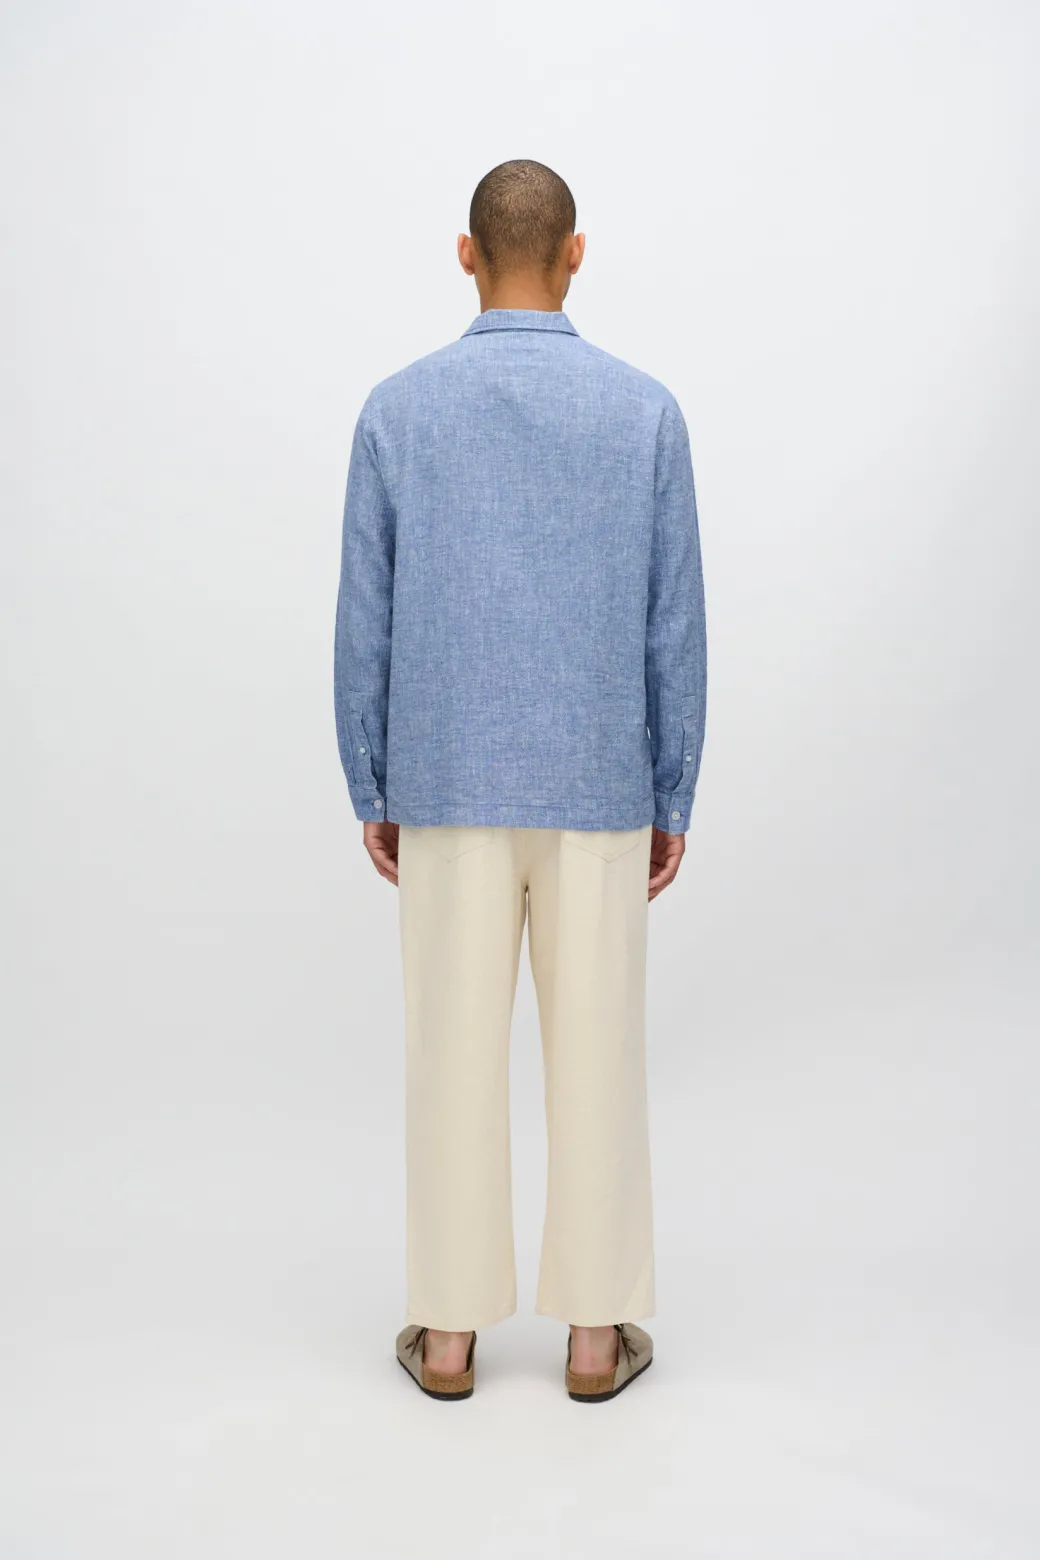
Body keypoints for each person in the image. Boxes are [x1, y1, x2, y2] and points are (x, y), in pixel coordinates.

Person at [333, 158, 707, 1403]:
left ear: (464, 254)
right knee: (598, 1054)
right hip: (598, 784)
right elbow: (671, 623)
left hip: (444, 779)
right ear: (575, 253)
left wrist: (373, 781)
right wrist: (670, 791)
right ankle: (593, 1339)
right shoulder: (644, 413)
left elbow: (366, 619)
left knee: (449, 1055)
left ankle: (447, 1338)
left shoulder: (397, 412)